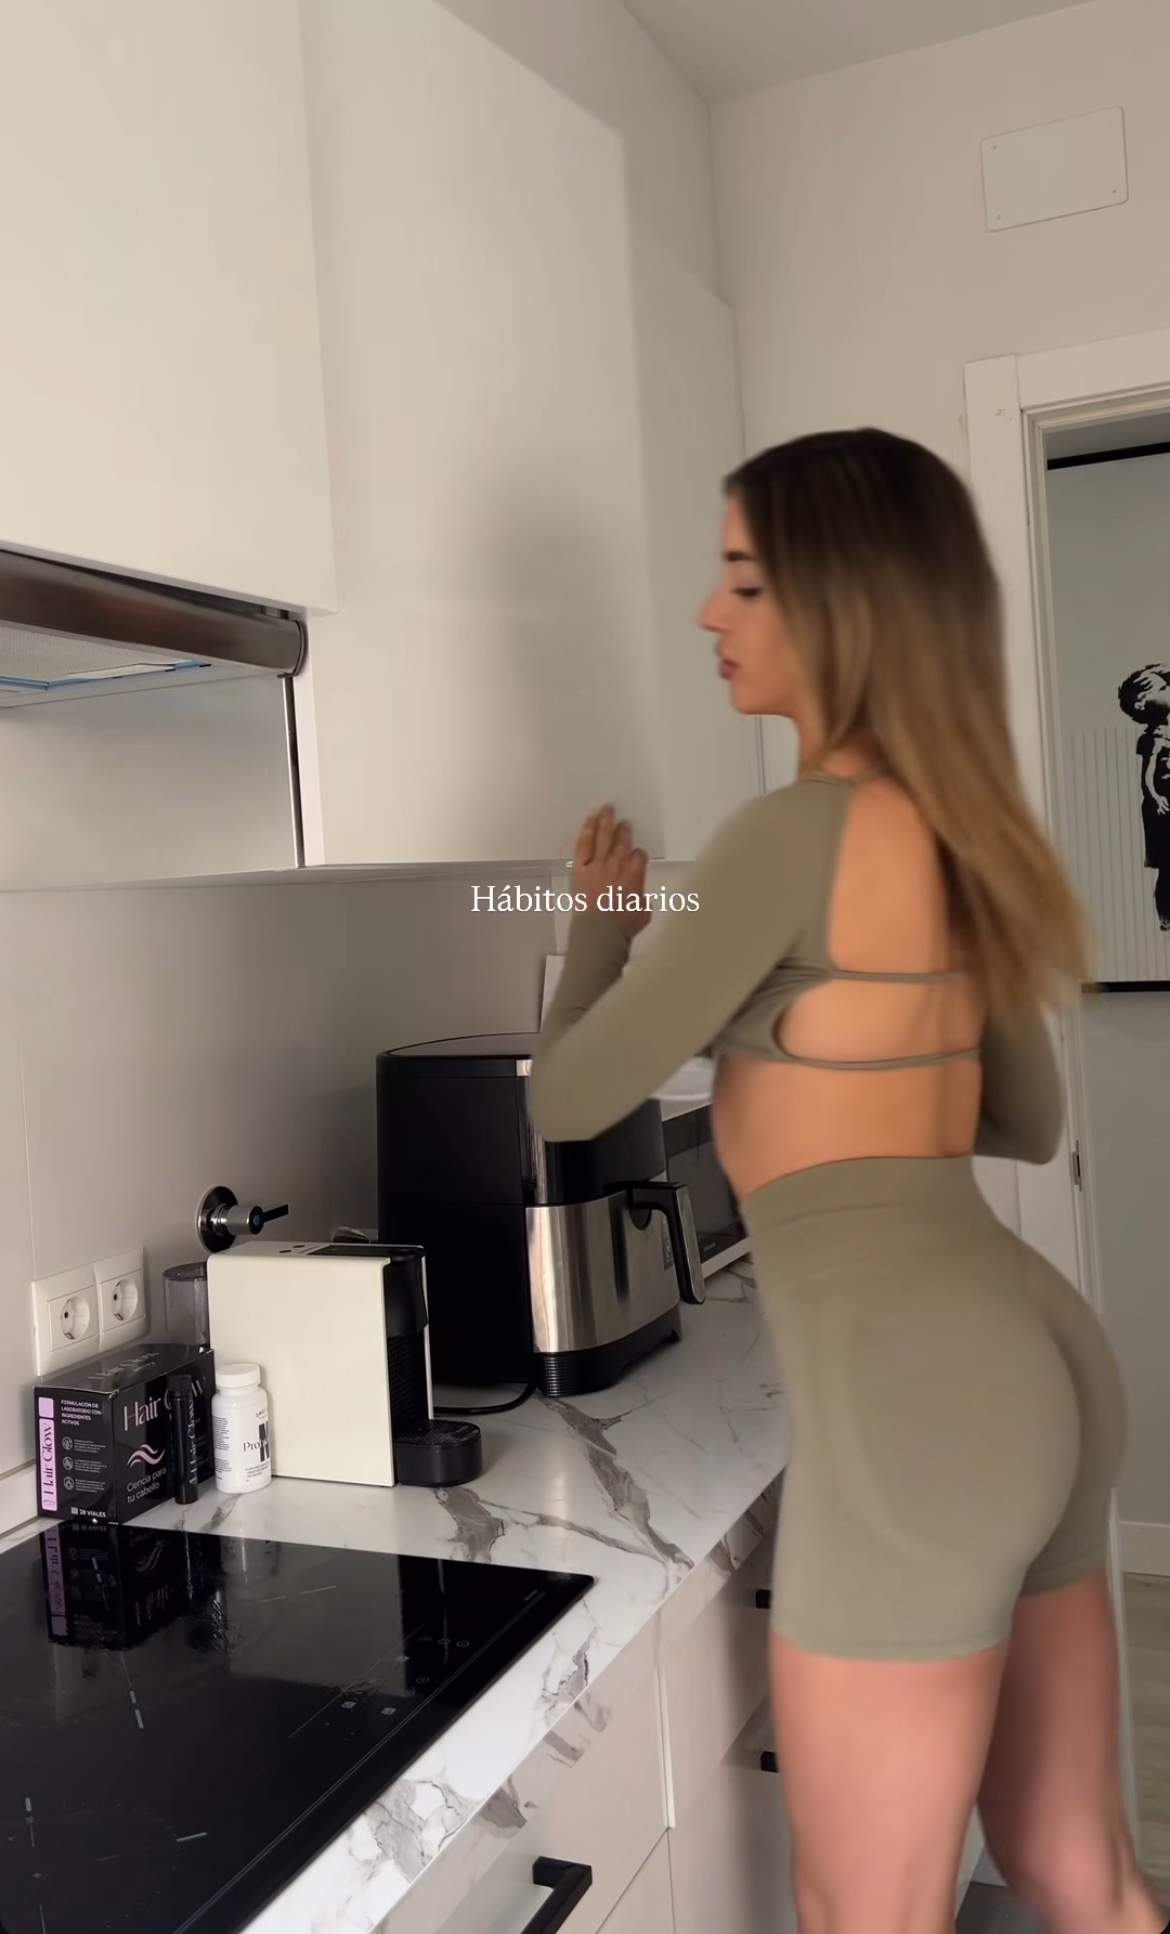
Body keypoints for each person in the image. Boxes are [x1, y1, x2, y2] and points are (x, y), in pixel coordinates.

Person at [529, 428, 1163, 1934]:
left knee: (865, 1914)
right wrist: (837, 1045)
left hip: (912, 1399)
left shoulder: (785, 837)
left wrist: (603, 925)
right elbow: (1023, 1116)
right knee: (1084, 1874)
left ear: (843, 602)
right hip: (1037, 1352)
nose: (709, 611)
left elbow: (568, 1094)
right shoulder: (957, 839)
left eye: (744, 579)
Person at [1118, 665, 1170, 930]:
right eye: (1164, 688)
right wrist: (1155, 797)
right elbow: (1147, 776)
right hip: (1163, 808)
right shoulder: (1154, 739)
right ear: (1142, 703)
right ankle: (1166, 917)